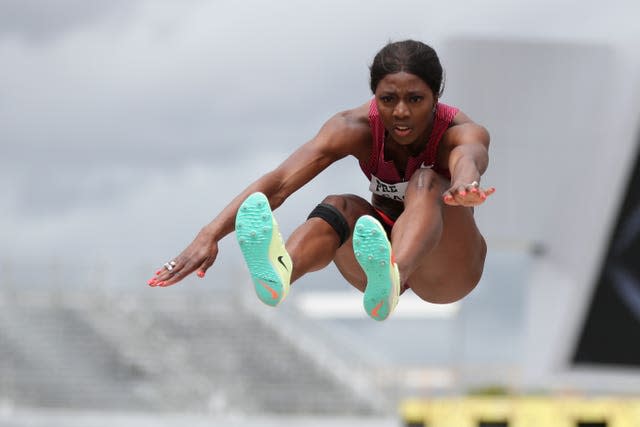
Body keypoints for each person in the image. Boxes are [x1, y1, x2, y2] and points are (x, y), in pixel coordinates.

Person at [148, 40, 495, 321]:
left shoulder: (459, 131)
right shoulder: (354, 128)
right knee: (337, 206)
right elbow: (280, 182)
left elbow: (470, 157)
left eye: (415, 100)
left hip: (447, 269)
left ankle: (394, 275)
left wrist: (465, 183)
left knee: (426, 181)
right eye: (388, 100)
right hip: (376, 258)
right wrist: (209, 235)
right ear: (375, 97)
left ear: (436, 98)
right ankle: (281, 272)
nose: (401, 112)